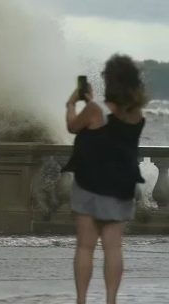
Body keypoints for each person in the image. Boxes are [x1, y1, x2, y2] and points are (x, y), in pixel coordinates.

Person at [63, 54, 147, 304]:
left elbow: (73, 127)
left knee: (85, 247)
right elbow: (113, 127)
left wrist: (70, 104)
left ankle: (81, 300)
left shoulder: (94, 110)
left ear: (108, 82)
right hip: (121, 186)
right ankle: (111, 300)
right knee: (113, 248)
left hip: (89, 184)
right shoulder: (136, 114)